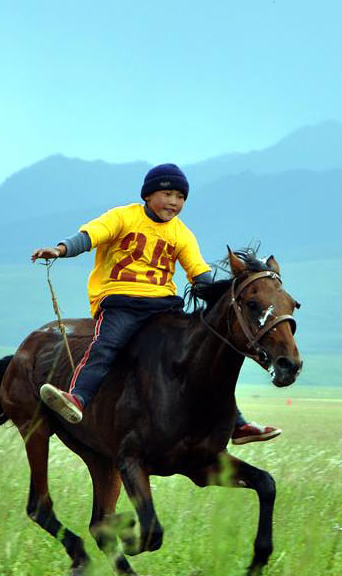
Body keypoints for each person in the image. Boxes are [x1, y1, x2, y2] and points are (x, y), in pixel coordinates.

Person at [29, 163, 280, 444]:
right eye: (168, 194)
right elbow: (92, 235)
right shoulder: (124, 217)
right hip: (120, 302)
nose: (174, 202)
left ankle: (238, 424)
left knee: (201, 357)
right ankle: (77, 398)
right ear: (148, 195)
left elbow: (197, 270)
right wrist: (61, 249)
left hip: (163, 306)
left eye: (181, 197)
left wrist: (226, 296)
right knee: (106, 346)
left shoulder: (181, 233)